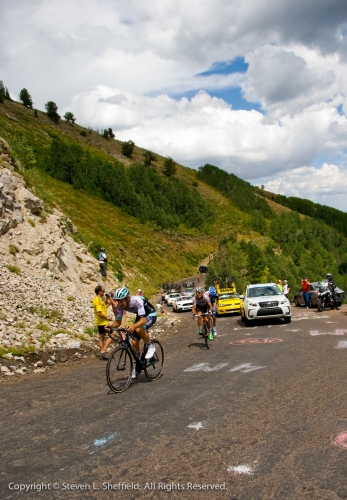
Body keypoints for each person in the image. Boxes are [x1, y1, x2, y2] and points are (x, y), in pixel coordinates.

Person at [112, 287, 157, 366]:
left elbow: (143, 321)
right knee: (134, 343)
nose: (119, 304)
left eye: (121, 301)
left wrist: (133, 326)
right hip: (140, 315)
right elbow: (118, 322)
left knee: (139, 329)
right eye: (117, 301)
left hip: (150, 314)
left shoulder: (136, 301)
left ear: (128, 299)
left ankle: (151, 346)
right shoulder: (119, 306)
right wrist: (109, 326)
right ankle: (138, 364)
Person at [93, 285, 113, 359]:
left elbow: (103, 308)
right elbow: (99, 312)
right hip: (103, 322)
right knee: (112, 335)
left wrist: (108, 303)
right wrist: (107, 317)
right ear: (99, 291)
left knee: (102, 337)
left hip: (100, 322)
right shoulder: (98, 300)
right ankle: (103, 351)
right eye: (103, 291)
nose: (104, 292)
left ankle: (102, 353)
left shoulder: (99, 299)